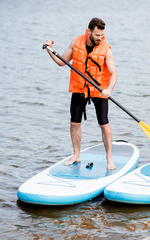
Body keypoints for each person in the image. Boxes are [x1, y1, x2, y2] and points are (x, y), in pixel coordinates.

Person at [44, 18, 117, 170]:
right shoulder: (76, 42)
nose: (100, 38)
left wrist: (109, 89)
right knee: (74, 122)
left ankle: (109, 158)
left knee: (103, 123)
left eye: (102, 35)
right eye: (97, 35)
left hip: (99, 89)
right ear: (89, 31)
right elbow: (62, 62)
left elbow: (113, 73)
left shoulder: (106, 48)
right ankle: (76, 154)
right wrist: (49, 50)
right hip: (80, 88)